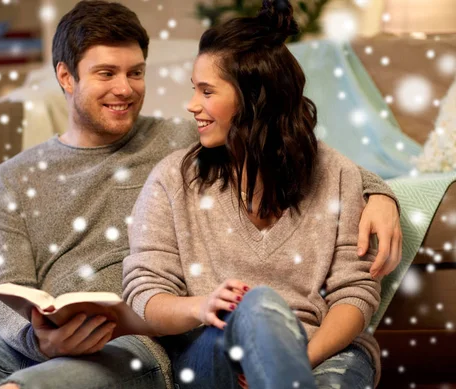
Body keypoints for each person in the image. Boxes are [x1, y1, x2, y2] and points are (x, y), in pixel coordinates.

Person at [0, 1, 397, 389]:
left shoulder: (184, 142)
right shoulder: (14, 179)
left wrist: (380, 195)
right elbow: (6, 295)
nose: (125, 89)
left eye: (135, 73)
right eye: (106, 73)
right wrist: (39, 341)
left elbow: (283, 143)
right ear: (66, 78)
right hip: (36, 349)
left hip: (135, 346)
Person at [122, 2, 385, 388]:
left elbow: (356, 293)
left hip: (322, 353)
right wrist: (202, 307)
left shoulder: (339, 176)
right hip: (213, 355)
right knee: (255, 303)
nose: (192, 105)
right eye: (194, 89)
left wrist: (289, 361)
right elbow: (145, 295)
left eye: (206, 91)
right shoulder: (173, 180)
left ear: (253, 98)